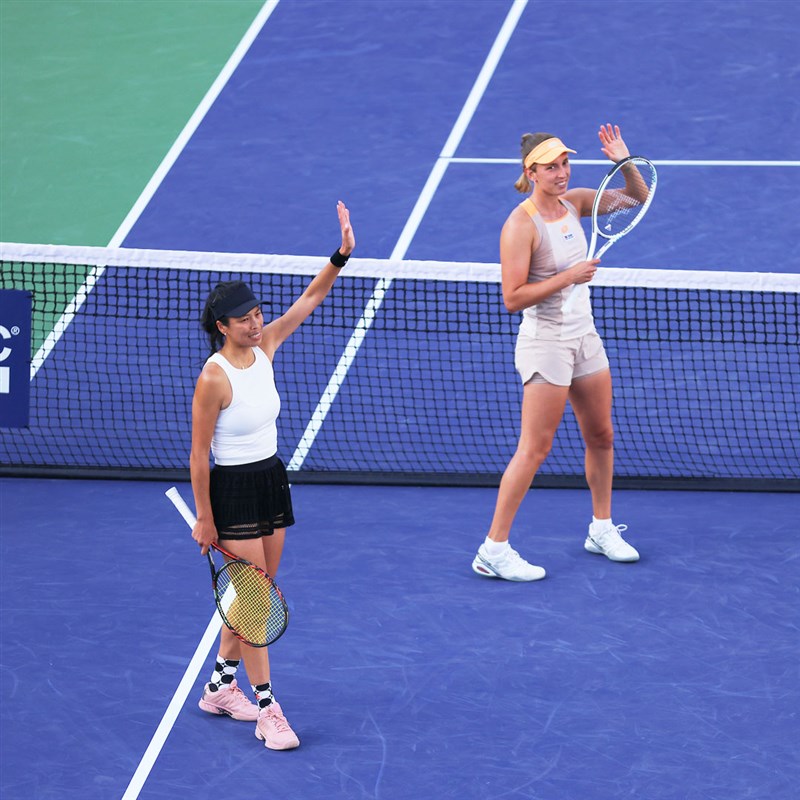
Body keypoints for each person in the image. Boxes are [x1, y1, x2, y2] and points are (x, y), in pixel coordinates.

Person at [189, 200, 354, 749]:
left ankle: (218, 688)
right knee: (257, 606)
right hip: (231, 492)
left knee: (252, 597)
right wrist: (205, 519)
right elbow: (197, 454)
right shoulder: (212, 379)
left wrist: (340, 256)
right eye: (245, 319)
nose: (257, 323)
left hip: (270, 481)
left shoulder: (267, 346)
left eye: (258, 314)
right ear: (222, 327)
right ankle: (267, 711)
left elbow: (310, 298)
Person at [471, 124, 641, 582]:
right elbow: (512, 298)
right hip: (545, 343)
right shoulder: (519, 225)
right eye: (552, 167)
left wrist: (624, 163)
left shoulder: (578, 201)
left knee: (601, 435)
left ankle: (601, 528)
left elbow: (633, 199)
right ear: (532, 172)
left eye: (565, 163)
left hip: (584, 336)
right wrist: (569, 277)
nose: (562, 173)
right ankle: (493, 548)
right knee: (536, 447)